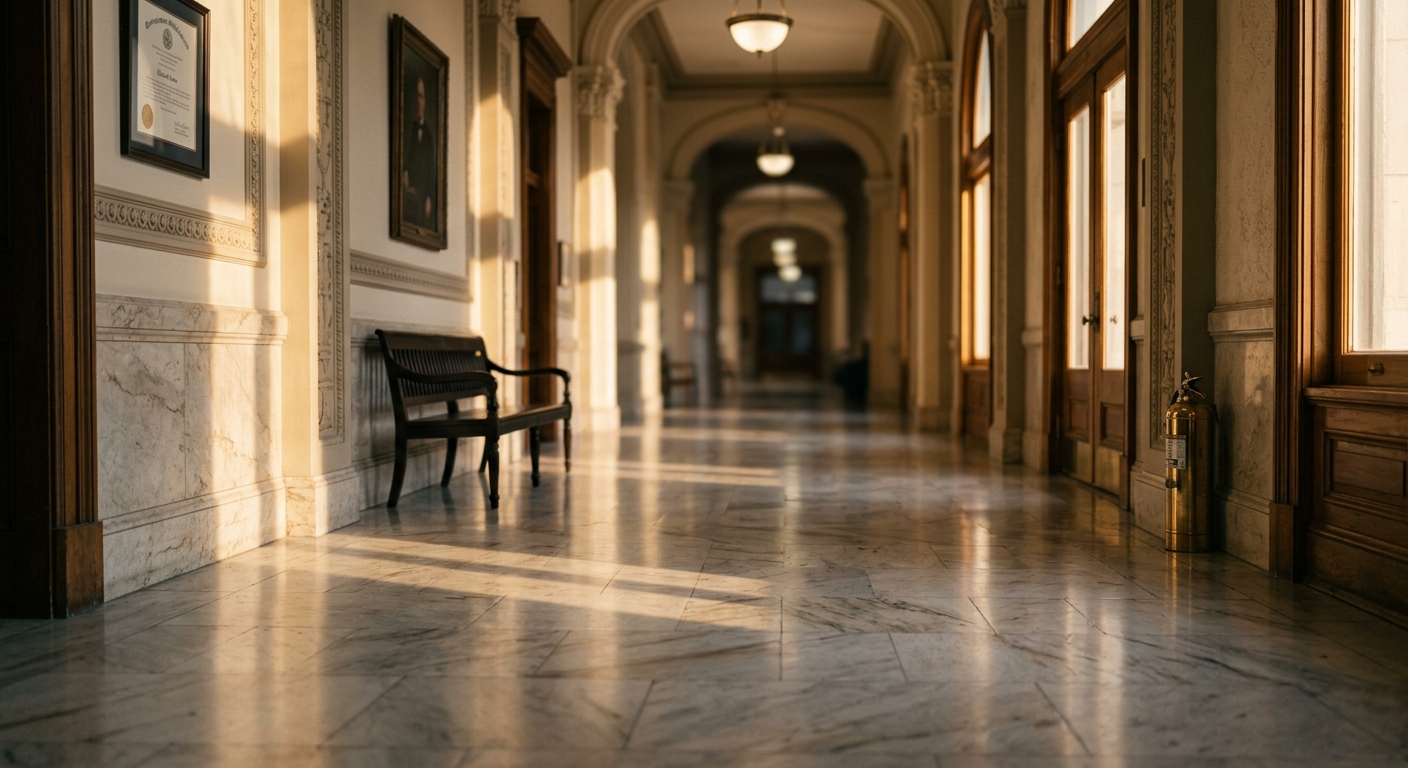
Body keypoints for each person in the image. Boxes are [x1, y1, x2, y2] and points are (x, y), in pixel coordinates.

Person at [403, 76, 437, 229]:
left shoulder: (429, 137)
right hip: (408, 194)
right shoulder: (408, 128)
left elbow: (431, 169)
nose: (419, 100)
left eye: (421, 96)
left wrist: (429, 198)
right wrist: (404, 173)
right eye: (417, 95)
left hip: (421, 196)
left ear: (425, 101)